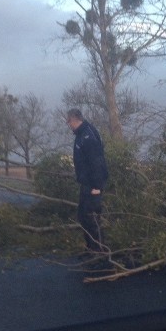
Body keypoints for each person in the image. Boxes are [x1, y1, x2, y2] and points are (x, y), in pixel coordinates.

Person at [66, 108, 109, 253]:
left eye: (68, 121)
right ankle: (90, 249)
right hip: (86, 184)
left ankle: (99, 252)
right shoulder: (80, 134)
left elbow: (97, 162)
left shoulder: (88, 135)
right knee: (83, 217)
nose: (68, 124)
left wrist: (97, 187)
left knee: (92, 218)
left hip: (93, 185)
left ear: (74, 119)